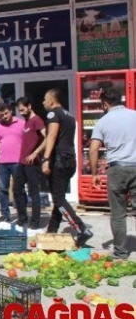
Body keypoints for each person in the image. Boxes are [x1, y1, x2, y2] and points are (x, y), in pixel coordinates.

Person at [42, 89, 92, 246]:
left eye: (45, 99)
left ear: (51, 100)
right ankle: (51, 231)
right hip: (70, 160)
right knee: (60, 197)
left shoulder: (53, 114)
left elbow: (51, 135)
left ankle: (81, 228)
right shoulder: (69, 115)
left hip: (59, 160)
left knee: (57, 198)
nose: (43, 102)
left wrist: (45, 158)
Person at [89, 89, 136, 259]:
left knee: (118, 213)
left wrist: (95, 174)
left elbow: (93, 150)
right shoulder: (134, 115)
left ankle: (120, 252)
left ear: (105, 104)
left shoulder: (102, 121)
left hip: (117, 170)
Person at [0, 103, 26, 223]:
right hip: (2, 163)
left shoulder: (21, 123)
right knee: (3, 189)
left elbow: (28, 140)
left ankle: (22, 215)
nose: (4, 117)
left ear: (11, 111)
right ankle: (5, 214)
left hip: (17, 162)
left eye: (6, 113)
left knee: (19, 189)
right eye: (2, 115)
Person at [15, 97, 47, 229]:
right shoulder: (26, 122)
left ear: (29, 106)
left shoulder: (37, 120)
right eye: (19, 111)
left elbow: (47, 138)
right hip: (22, 162)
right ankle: (22, 219)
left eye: (23, 109)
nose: (21, 113)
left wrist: (36, 153)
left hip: (32, 163)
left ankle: (35, 222)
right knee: (17, 189)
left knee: (33, 193)